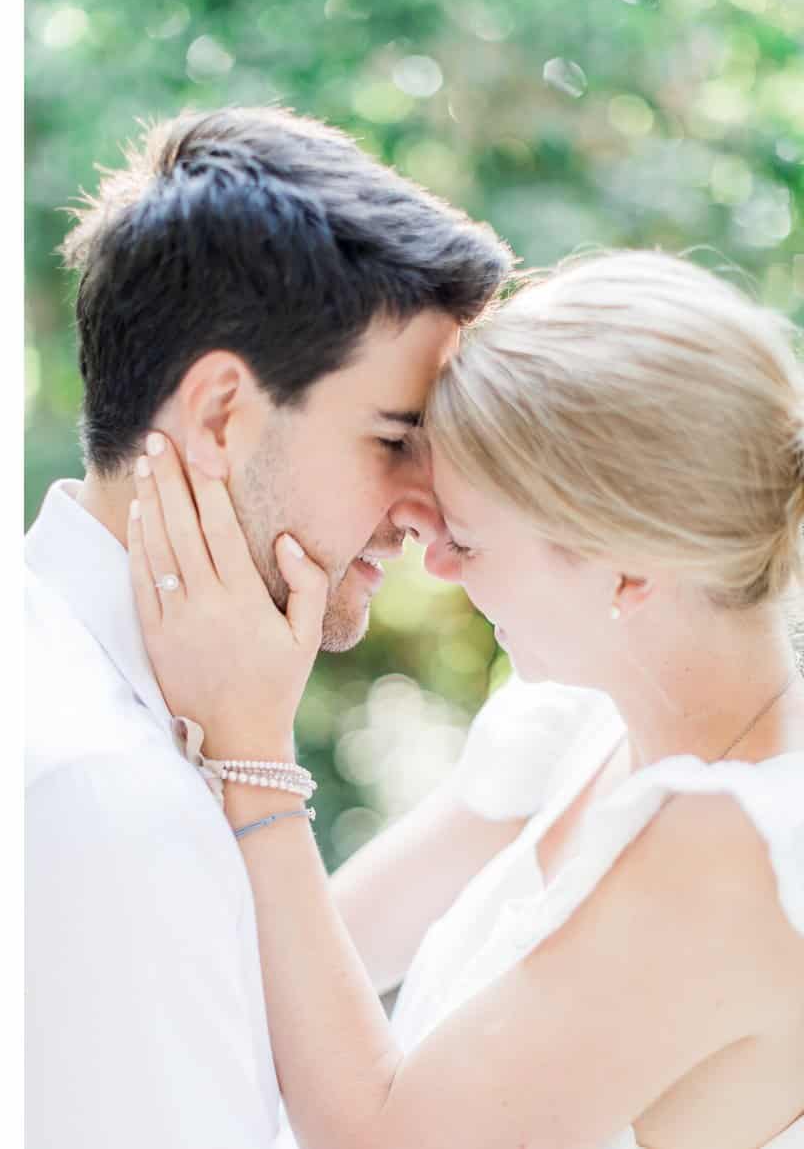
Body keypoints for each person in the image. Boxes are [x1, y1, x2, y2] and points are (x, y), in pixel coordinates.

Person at [128, 250, 804, 1148]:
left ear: (631, 570)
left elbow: (382, 1138)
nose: (435, 563)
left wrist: (253, 744)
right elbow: (319, 957)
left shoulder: (735, 847)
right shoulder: (582, 716)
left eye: (470, 544)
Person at [23, 105, 512, 1148]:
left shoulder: (141, 716)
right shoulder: (98, 789)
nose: (429, 510)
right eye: (395, 441)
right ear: (217, 417)